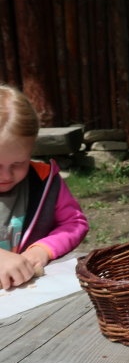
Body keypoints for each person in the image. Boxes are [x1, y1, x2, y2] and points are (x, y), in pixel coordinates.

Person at [0, 84, 89, 290]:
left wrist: (43, 250)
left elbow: (74, 224)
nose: (6, 175)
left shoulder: (44, 181)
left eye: (18, 163)